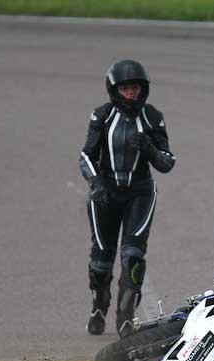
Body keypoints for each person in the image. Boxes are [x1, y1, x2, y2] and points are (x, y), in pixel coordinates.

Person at [79, 60, 176, 337]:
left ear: (143, 90)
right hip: (105, 192)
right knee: (101, 261)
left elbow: (167, 162)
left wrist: (149, 149)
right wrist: (96, 182)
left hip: (140, 192)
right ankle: (99, 304)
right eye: (125, 89)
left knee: (133, 256)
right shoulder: (102, 116)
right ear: (114, 90)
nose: (131, 94)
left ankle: (126, 317)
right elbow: (86, 154)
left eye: (134, 88)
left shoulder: (153, 117)